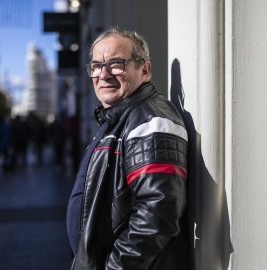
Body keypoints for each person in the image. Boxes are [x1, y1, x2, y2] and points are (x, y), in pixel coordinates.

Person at [66, 28, 189, 269]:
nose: (103, 74)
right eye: (96, 66)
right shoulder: (119, 118)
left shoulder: (151, 122)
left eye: (116, 64)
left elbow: (157, 216)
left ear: (144, 70)